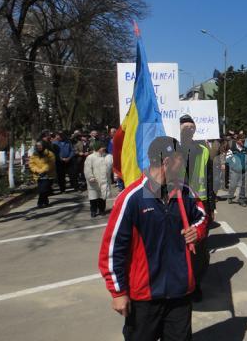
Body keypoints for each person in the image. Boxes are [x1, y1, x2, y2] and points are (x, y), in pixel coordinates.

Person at [98, 136, 208, 341]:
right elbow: (112, 250)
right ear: (167, 162)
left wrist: (196, 230)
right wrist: (118, 292)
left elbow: (202, 216)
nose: (184, 163)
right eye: (180, 158)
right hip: (144, 297)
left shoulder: (185, 192)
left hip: (180, 292)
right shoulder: (132, 198)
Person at [179, 114, 214, 301]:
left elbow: (210, 179)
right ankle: (183, 282)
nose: (188, 130)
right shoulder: (173, 149)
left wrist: (212, 207)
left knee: (200, 247)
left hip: (200, 203)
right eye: (185, 127)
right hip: (178, 203)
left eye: (191, 127)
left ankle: (196, 284)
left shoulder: (204, 150)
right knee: (181, 244)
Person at [84, 141, 113, 217]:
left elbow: (112, 166)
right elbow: (87, 169)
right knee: (93, 197)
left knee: (102, 197)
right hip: (94, 181)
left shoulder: (108, 156)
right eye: (101, 147)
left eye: (104, 147)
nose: (103, 148)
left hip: (104, 180)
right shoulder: (90, 157)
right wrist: (90, 177)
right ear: (97, 148)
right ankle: (93, 211)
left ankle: (102, 210)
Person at [226, 134, 247, 207]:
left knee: (243, 186)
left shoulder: (246, 149)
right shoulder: (232, 149)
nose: (243, 142)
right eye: (242, 141)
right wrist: (233, 166)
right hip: (235, 171)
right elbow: (228, 160)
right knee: (233, 185)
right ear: (237, 140)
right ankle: (230, 196)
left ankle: (242, 199)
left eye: (244, 141)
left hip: (244, 171)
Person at [29, 141, 56, 208]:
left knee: (44, 189)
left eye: (40, 146)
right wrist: (36, 170)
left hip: (48, 175)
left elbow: (50, 164)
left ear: (43, 146)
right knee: (41, 189)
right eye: (37, 146)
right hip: (38, 175)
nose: (39, 147)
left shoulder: (50, 154)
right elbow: (31, 164)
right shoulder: (34, 154)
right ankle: (45, 201)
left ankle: (40, 202)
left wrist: (43, 171)